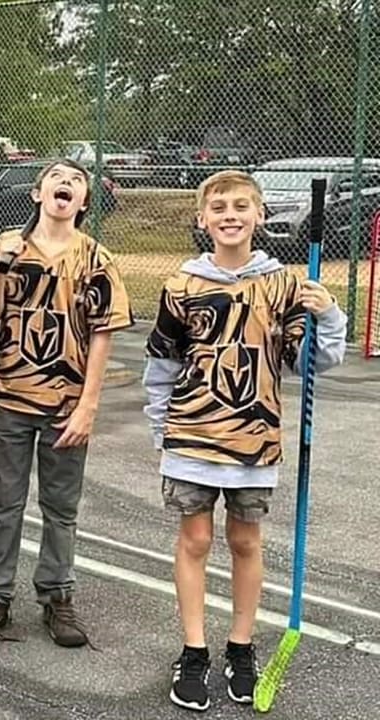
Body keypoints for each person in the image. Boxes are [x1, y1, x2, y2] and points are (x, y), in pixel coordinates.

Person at [143, 170, 347, 712]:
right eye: (218, 207)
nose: (229, 215)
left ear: (258, 215)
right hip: (191, 439)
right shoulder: (181, 285)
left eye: (240, 206)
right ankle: (193, 650)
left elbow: (311, 362)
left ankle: (240, 645)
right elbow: (161, 364)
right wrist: (161, 428)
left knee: (246, 543)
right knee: (194, 542)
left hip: (254, 443)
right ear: (202, 219)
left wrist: (326, 314)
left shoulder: (283, 284)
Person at [0, 159, 132, 648]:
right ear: (37, 193)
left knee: (60, 507)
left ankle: (57, 595)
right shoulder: (5, 246)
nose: (67, 184)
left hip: (66, 403)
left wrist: (88, 405)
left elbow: (102, 335)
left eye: (77, 181)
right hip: (13, 394)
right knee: (4, 503)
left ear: (85, 200)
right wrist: (2, 268)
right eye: (57, 178)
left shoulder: (96, 259)